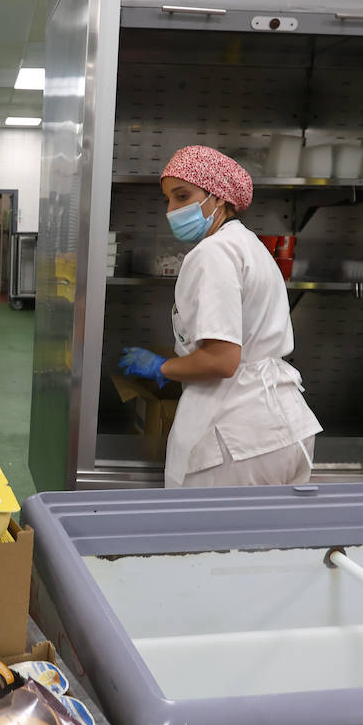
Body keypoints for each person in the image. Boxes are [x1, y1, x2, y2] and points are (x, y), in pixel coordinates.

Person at [119, 145, 321, 488]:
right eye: (168, 199)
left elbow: (222, 360)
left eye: (183, 196)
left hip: (237, 436)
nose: (172, 210)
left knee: (206, 539)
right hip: (283, 427)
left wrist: (160, 368)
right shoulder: (248, 245)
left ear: (219, 198)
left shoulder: (212, 253)